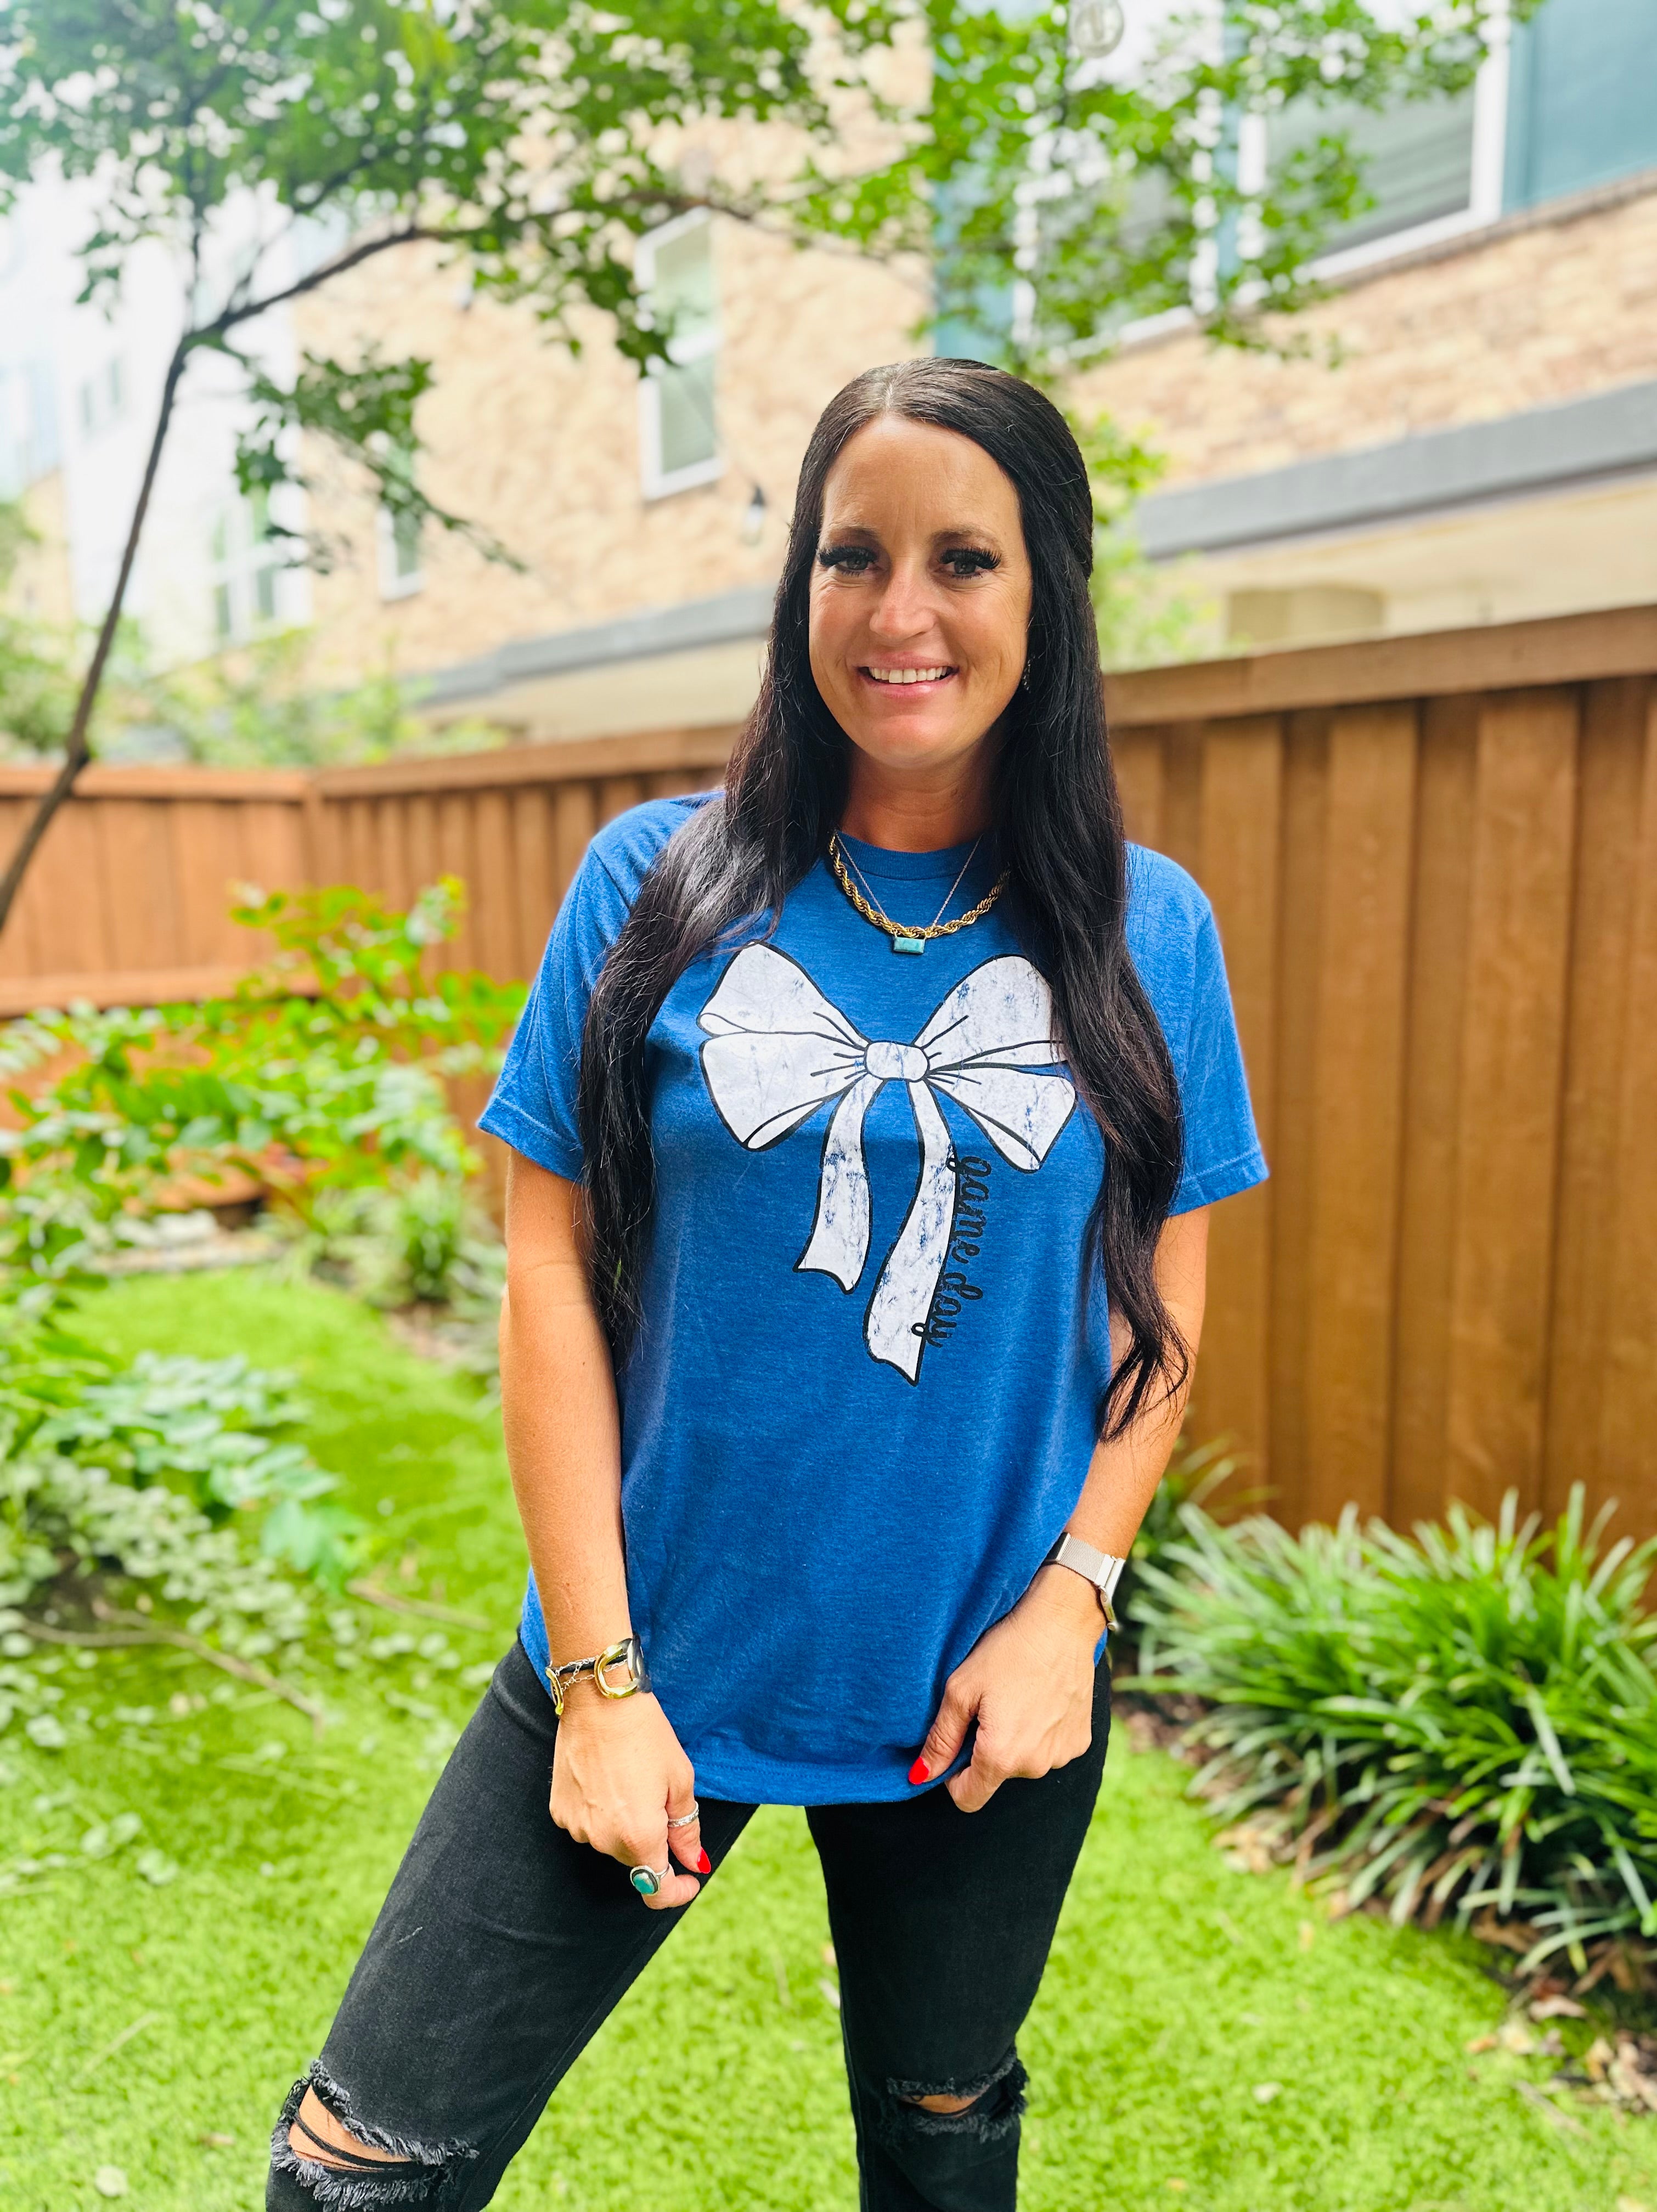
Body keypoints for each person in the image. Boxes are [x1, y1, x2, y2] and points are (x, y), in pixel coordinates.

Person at [267, 358, 1266, 2212]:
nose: (900, 614)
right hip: (649, 1654)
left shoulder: (1153, 930)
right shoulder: (652, 884)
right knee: (357, 2169)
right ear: (798, 580)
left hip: (981, 1689)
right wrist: (597, 1681)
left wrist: (1074, 1605)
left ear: (1049, 592)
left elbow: (1162, 1310)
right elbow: (547, 1271)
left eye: (963, 559)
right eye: (851, 555)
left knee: (945, 2135)